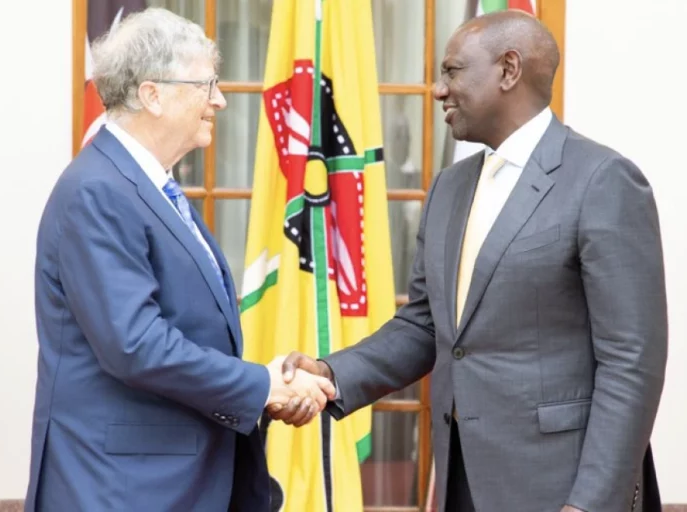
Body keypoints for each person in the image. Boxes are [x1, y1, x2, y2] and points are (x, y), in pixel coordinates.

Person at [269, 10, 667, 512]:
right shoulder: (450, 188)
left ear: (508, 70)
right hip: (461, 481)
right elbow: (423, 326)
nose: (439, 90)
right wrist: (330, 373)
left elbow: (632, 363)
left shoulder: (603, 181)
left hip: (561, 489)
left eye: (453, 71)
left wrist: (590, 503)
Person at [25, 8, 334, 511]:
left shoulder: (148, 184)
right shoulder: (98, 191)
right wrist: (260, 385)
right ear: (152, 94)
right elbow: (135, 344)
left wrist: (265, 383)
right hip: (121, 487)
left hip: (169, 479)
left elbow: (188, 327)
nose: (220, 99)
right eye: (205, 84)